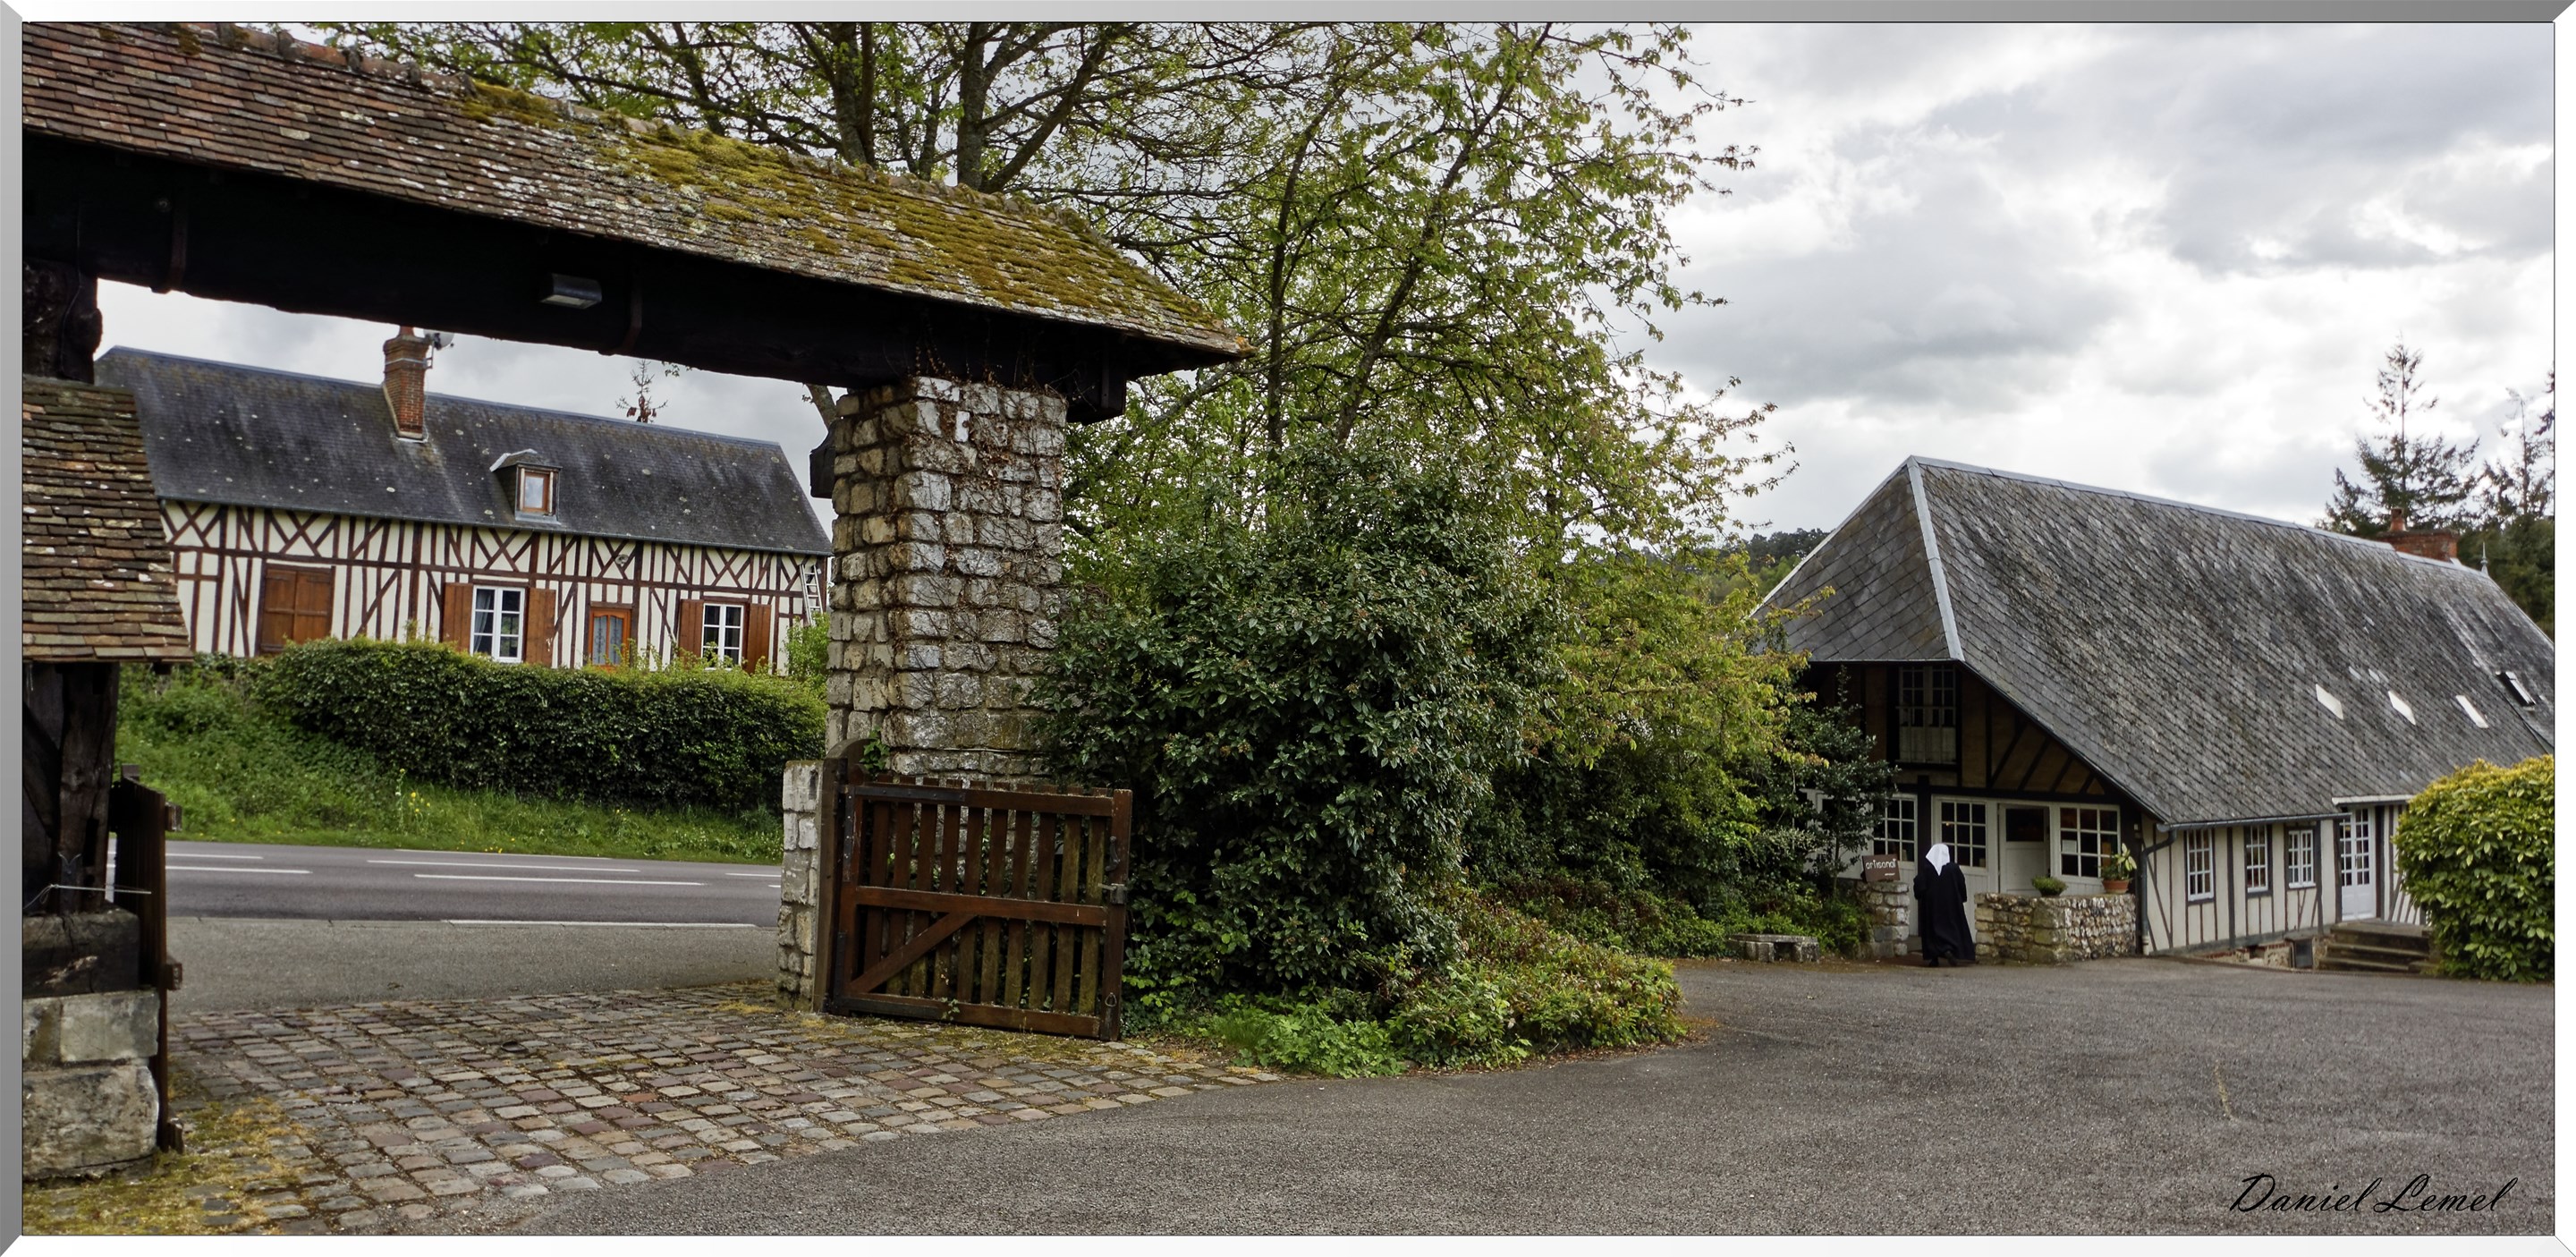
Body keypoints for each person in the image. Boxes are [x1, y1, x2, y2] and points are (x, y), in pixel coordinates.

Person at [1914, 841, 1974, 967]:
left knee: (1932, 931)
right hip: (1951, 905)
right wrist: (1962, 898)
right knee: (1952, 928)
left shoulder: (1928, 869)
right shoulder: (1953, 869)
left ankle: (1934, 958)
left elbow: (1919, 888)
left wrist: (1920, 897)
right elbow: (1961, 885)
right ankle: (1949, 949)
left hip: (1932, 907)